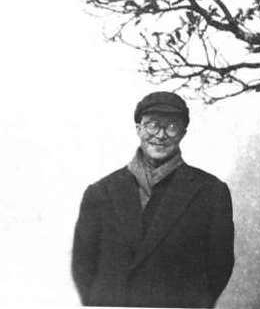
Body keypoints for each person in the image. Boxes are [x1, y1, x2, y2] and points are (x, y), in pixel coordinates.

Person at [71, 91, 234, 308]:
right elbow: (83, 265)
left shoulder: (211, 192)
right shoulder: (100, 193)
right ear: (138, 129)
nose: (160, 135)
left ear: (183, 133)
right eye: (152, 125)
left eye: (172, 127)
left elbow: (219, 266)